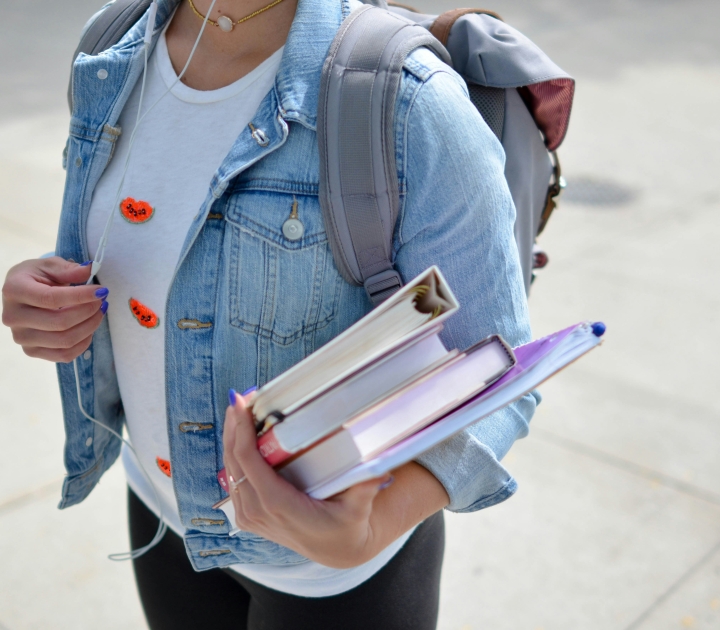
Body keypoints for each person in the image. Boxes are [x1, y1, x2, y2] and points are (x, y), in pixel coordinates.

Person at [1, 0, 537, 627]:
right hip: (162, 510)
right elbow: (149, 241)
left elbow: (496, 370)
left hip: (334, 576)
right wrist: (44, 291)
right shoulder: (112, 46)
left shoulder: (408, 101)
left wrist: (368, 532)